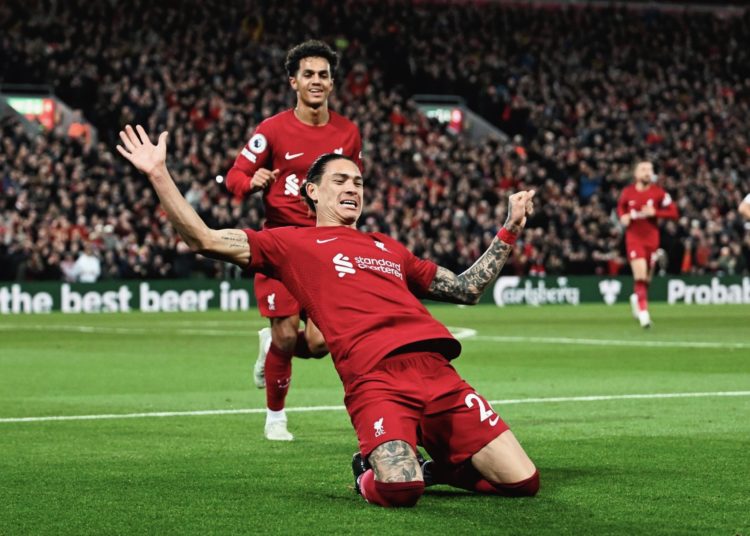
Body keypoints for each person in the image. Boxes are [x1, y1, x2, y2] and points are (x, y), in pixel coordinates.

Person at [116, 124, 539, 508]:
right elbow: (204, 239)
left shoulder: (387, 246)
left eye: (358, 181)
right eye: (340, 180)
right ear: (312, 191)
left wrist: (510, 228)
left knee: (523, 482)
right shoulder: (292, 244)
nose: (352, 187)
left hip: (437, 371)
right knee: (400, 491)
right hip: (376, 379)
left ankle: (436, 470)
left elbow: (466, 289)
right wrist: (158, 174)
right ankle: (368, 475)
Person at [225, 40, 363, 441]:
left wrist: (352, 230)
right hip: (281, 242)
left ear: (332, 83)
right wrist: (251, 182)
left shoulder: (348, 132)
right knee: (286, 335)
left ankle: (271, 347)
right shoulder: (271, 130)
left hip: (325, 246)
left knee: (319, 344)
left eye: (323, 75)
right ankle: (275, 417)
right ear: (294, 82)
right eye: (308, 74)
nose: (316, 81)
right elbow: (234, 177)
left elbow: (353, 185)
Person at [617, 161, 678, 328]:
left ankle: (636, 299)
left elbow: (674, 212)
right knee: (640, 277)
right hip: (634, 239)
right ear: (636, 174)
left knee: (647, 280)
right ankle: (644, 315)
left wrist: (655, 212)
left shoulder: (659, 193)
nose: (647, 172)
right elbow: (621, 208)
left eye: (650, 169)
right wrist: (623, 217)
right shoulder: (628, 192)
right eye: (643, 169)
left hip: (652, 241)